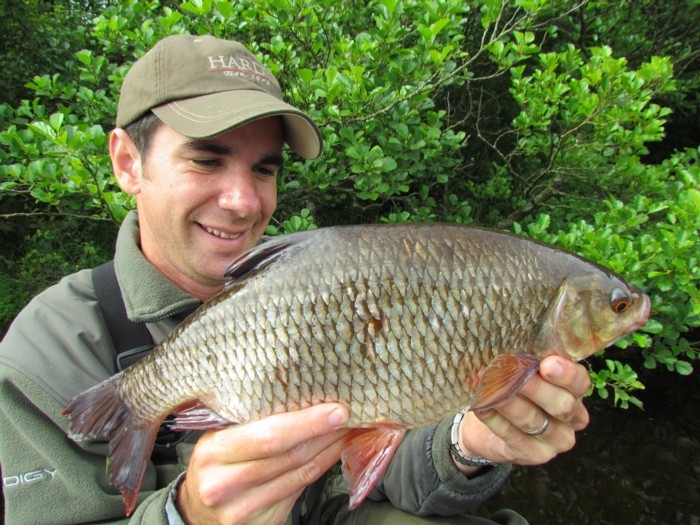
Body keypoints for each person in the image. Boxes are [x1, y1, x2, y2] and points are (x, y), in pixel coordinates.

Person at [0, 35, 591, 525]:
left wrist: (468, 444)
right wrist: (187, 516)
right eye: (207, 160)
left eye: (264, 169)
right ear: (128, 162)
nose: (241, 200)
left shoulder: (334, 292)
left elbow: (376, 481)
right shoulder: (49, 346)